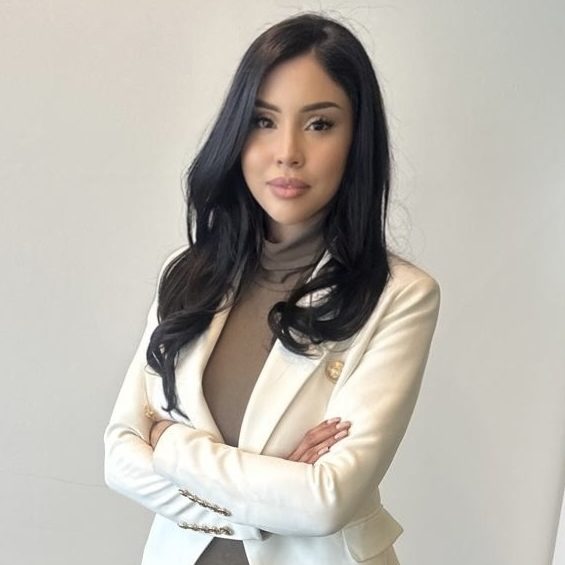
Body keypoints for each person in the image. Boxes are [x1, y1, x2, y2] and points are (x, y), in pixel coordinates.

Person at [104, 12, 440, 565]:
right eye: (263, 121)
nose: (287, 151)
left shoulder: (400, 296)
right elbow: (119, 458)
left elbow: (325, 502)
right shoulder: (186, 274)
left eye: (319, 124)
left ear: (357, 140)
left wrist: (170, 444)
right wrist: (272, 489)